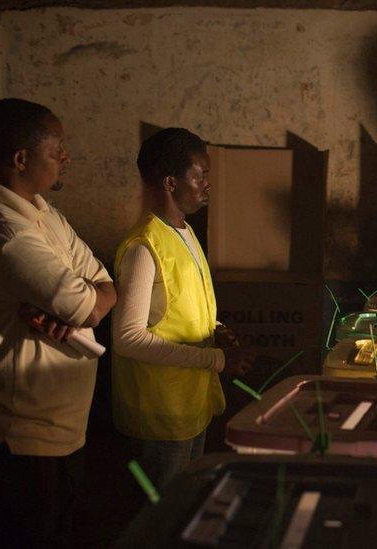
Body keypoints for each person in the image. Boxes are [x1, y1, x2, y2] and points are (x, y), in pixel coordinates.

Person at [0, 98, 117, 547]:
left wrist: (87, 299)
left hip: (58, 430)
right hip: (20, 438)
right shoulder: (7, 232)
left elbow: (104, 281)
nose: (65, 158)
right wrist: (87, 302)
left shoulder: (41, 211)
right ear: (21, 158)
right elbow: (91, 308)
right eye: (57, 149)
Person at [111, 128, 252, 489]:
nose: (208, 184)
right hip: (161, 413)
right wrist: (216, 360)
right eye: (200, 175)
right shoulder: (144, 247)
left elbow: (176, 304)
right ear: (171, 183)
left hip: (191, 404)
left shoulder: (184, 232)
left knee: (185, 503)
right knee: (163, 516)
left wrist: (215, 326)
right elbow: (128, 338)